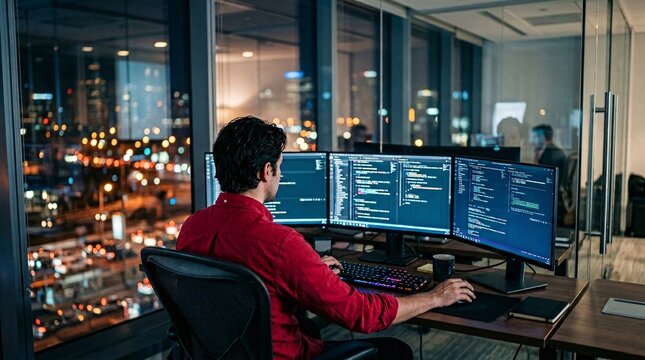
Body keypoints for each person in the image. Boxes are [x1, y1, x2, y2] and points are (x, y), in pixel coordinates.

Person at [176, 116, 475, 360]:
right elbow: (361, 316)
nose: (279, 173)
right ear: (266, 171)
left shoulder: (191, 228)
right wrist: (435, 297)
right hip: (281, 355)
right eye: (279, 167)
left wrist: (311, 271)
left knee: (307, 326)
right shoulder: (281, 245)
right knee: (396, 351)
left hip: (223, 354)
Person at [530, 124, 568, 225]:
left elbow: (539, 179)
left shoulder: (552, 154)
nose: (532, 142)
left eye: (534, 137)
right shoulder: (549, 151)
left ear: (542, 138)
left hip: (552, 204)